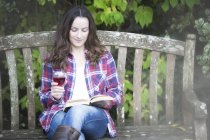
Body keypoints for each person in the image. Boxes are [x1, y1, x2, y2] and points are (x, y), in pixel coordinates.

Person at [38, 5, 123, 140]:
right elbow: (44, 95)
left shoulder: (103, 57)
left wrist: (105, 100)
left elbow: (116, 92)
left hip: (94, 117)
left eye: (84, 30)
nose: (79, 35)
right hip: (59, 113)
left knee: (78, 110)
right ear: (66, 30)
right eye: (74, 30)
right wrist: (53, 96)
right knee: (78, 137)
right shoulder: (53, 59)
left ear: (90, 31)